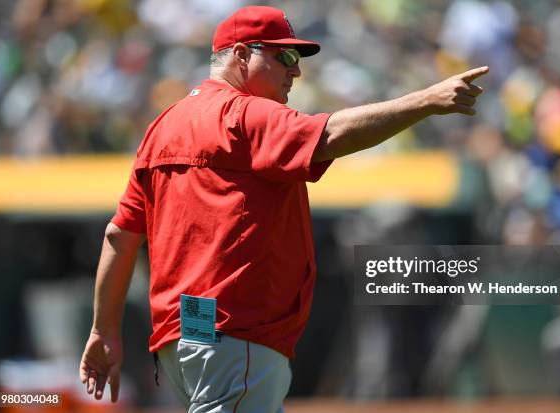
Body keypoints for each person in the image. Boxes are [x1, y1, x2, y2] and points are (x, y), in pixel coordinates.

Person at [79, 5, 488, 412]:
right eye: (284, 57)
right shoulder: (246, 114)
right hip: (235, 334)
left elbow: (120, 235)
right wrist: (427, 100)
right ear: (240, 55)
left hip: (187, 333)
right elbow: (332, 134)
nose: (295, 70)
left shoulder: (161, 128)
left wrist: (104, 329)